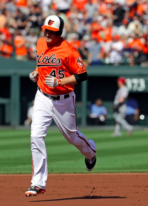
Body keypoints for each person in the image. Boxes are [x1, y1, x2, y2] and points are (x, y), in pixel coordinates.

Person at [25, 15, 97, 197]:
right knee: (35, 135)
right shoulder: (40, 43)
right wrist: (35, 73)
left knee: (72, 138)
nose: (48, 34)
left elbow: (83, 75)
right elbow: (42, 65)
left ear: (59, 33)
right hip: (42, 96)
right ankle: (38, 183)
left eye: (52, 32)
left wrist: (60, 81)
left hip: (63, 99)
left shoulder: (68, 51)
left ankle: (91, 153)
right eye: (46, 30)